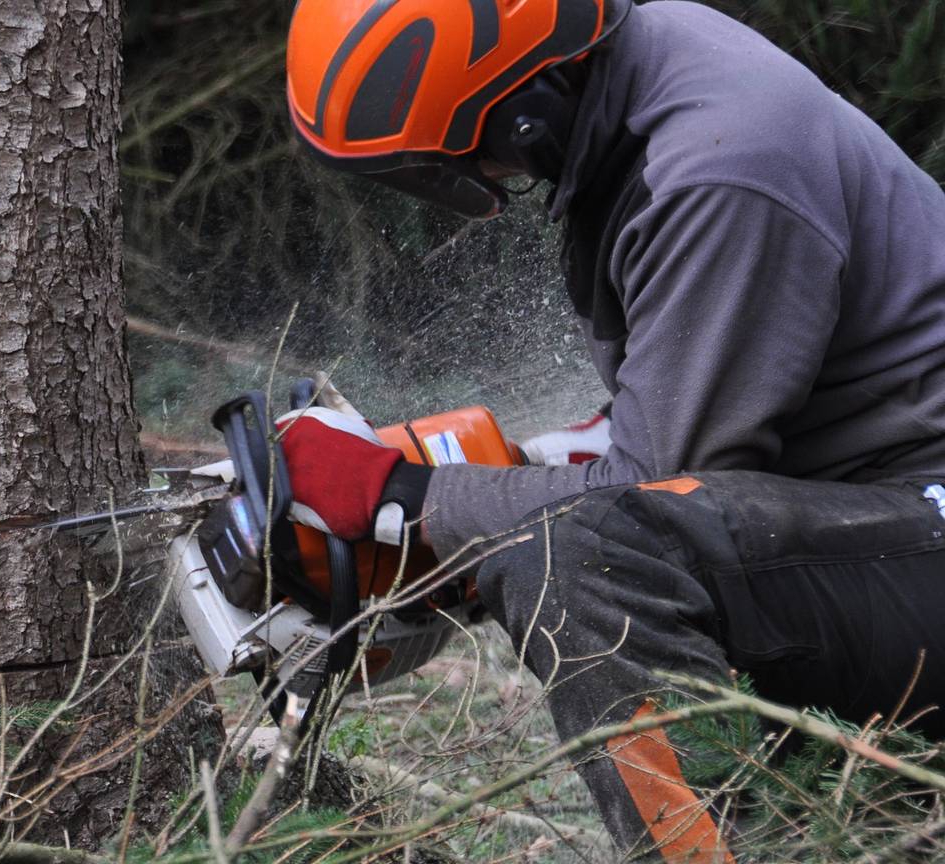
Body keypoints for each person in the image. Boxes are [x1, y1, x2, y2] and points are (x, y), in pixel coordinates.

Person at [276, 0, 945, 860]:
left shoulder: (717, 169)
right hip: (883, 506)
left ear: (529, 108)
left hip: (919, 512)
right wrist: (499, 479)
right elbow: (677, 411)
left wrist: (407, 499)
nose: (479, 171)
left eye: (471, 148)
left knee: (579, 562)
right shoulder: (639, 72)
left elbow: (655, 494)